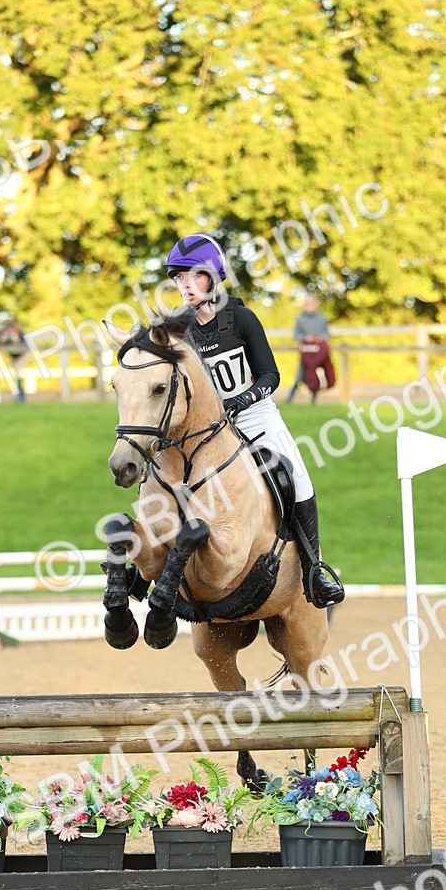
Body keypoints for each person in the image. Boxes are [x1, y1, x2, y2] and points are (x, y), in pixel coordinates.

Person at [164, 233, 344, 609]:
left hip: (256, 415)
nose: (184, 286)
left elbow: (271, 376)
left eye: (192, 276)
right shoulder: (180, 329)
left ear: (213, 277)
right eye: (178, 278)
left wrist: (241, 399)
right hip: (207, 429)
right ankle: (146, 569)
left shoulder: (242, 318)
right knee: (165, 478)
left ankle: (314, 570)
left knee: (298, 477)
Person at [287, 295, 334, 403]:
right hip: (306, 351)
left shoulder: (322, 319)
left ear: (315, 304)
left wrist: (319, 338)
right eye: (306, 304)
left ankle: (314, 399)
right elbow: (296, 335)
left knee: (316, 373)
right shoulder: (300, 319)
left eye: (311, 304)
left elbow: (326, 334)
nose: (309, 307)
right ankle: (290, 398)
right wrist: (305, 338)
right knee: (301, 374)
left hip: (319, 351)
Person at [0, 313, 28, 402]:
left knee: (18, 374)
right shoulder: (3, 332)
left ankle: (20, 398)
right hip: (13, 357)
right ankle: (19, 397)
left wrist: (16, 339)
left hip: (22, 356)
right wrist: (2, 339)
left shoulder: (20, 332)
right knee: (16, 375)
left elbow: (25, 345)